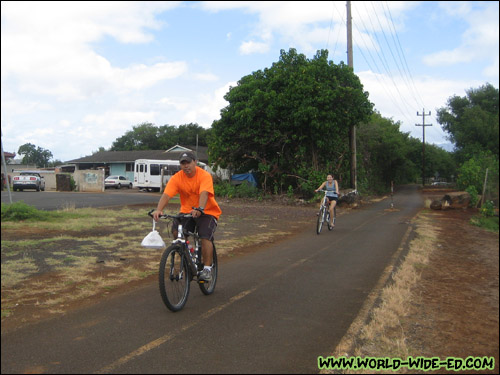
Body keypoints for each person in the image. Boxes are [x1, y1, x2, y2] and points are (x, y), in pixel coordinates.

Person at [152, 151, 222, 282]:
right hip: (187, 211)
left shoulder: (204, 176)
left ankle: (207, 269)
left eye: (188, 162)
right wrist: (159, 210)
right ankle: (189, 253)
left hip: (207, 211)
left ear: (195, 162)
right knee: (176, 233)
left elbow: (204, 193)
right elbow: (167, 195)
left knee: (205, 235)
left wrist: (200, 209)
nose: (186, 166)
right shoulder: (177, 178)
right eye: (182, 163)